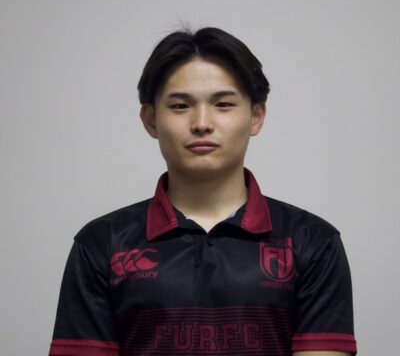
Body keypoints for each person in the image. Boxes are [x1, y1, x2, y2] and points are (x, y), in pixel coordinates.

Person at [49, 26, 357, 356]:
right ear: (150, 120)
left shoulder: (313, 242)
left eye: (223, 104)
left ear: (256, 116)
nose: (201, 123)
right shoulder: (102, 243)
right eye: (181, 106)